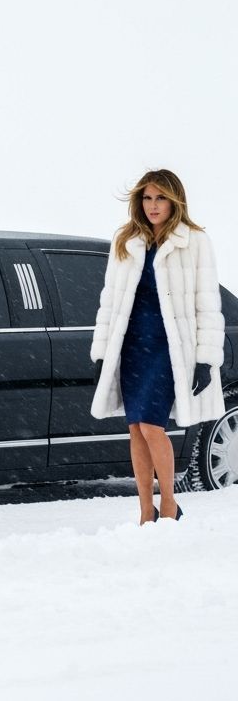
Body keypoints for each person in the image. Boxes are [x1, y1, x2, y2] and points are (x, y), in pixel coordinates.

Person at [91, 169, 225, 523]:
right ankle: (144, 509)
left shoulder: (193, 241)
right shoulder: (126, 239)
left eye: (160, 198)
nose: (153, 205)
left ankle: (169, 503)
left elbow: (208, 304)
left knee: (152, 426)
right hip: (132, 345)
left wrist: (204, 360)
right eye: (147, 198)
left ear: (174, 201)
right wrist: (102, 351)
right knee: (135, 428)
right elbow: (110, 300)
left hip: (170, 349)